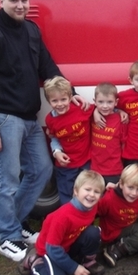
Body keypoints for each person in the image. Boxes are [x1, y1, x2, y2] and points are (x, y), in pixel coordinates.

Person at [0, 0, 84, 262]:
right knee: (4, 179)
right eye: (14, 1)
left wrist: (73, 92)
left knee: (42, 170)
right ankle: (6, 238)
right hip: (4, 118)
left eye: (24, 0)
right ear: (1, 1)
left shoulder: (31, 30)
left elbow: (48, 66)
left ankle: (14, 224)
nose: (20, 5)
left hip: (30, 118)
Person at [18, 170, 106, 275]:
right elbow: (52, 249)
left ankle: (88, 262)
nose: (91, 195)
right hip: (48, 251)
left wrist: (118, 187)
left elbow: (111, 200)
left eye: (96, 192)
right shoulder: (63, 217)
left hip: (67, 246)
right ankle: (34, 263)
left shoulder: (92, 207)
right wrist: (73, 268)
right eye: (87, 190)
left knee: (93, 232)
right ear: (76, 191)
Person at [44, 76, 94, 205]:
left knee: (88, 193)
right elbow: (54, 138)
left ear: (70, 97)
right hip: (66, 165)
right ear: (49, 101)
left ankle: (86, 219)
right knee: (66, 196)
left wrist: (100, 113)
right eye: (54, 101)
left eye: (63, 99)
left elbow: (101, 108)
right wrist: (56, 152)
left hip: (86, 161)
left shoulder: (82, 108)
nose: (59, 104)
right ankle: (69, 220)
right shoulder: (50, 120)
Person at [98, 163, 138, 267]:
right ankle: (114, 249)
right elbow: (94, 213)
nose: (134, 193)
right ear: (121, 184)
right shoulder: (109, 199)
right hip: (115, 232)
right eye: (130, 187)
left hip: (131, 222)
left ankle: (134, 241)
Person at [90, 82, 127, 185]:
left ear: (116, 102)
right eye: (100, 102)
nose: (105, 106)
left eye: (109, 102)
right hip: (95, 168)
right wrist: (95, 111)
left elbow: (123, 143)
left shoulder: (120, 120)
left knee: (112, 198)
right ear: (95, 102)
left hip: (114, 169)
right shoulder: (91, 117)